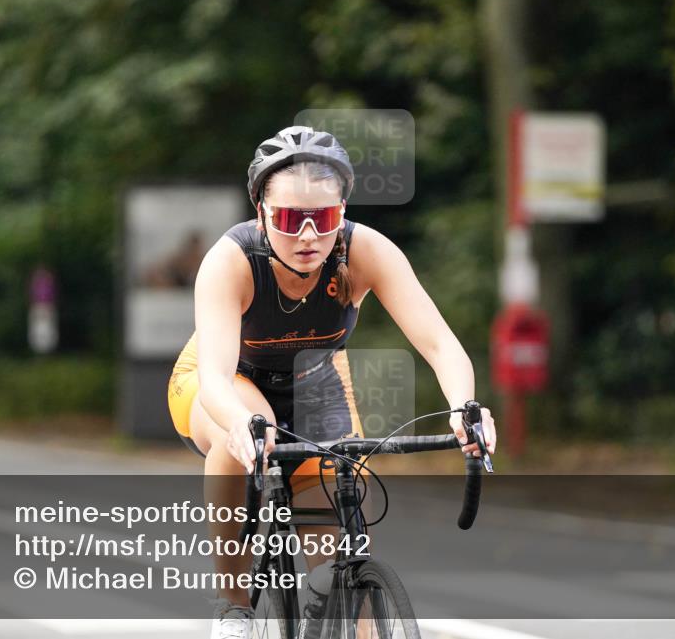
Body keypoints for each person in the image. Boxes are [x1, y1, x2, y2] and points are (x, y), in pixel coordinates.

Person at [166, 125, 497, 639]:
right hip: (222, 378)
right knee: (250, 429)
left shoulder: (366, 252)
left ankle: (333, 605)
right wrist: (239, 422)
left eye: (322, 219)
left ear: (341, 213)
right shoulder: (230, 261)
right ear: (261, 213)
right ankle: (233, 608)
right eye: (288, 219)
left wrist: (463, 407)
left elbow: (438, 343)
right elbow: (214, 377)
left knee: (340, 553)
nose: (307, 236)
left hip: (314, 380)